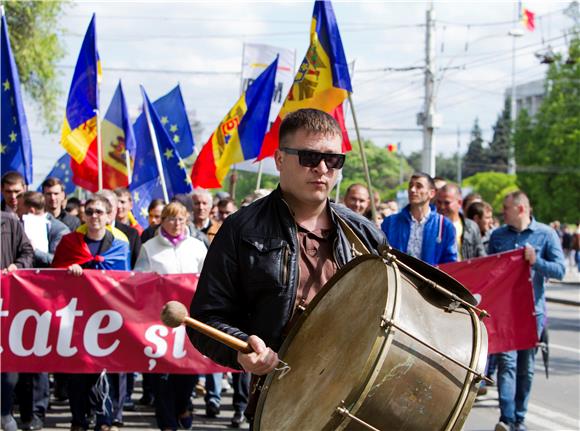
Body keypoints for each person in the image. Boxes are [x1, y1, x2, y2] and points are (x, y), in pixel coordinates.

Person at [187, 108, 386, 424]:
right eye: (309, 157)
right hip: (281, 403)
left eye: (333, 160)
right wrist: (241, 351)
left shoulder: (364, 232)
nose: (322, 168)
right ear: (279, 159)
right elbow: (206, 318)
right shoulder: (241, 229)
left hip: (359, 401)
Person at [52, 196, 130, 431]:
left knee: (107, 371)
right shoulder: (70, 242)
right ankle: (79, 418)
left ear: (108, 216)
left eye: (99, 212)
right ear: (84, 215)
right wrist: (70, 270)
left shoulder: (120, 245)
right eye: (90, 211)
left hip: (108, 318)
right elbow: (54, 275)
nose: (94, 216)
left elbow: (125, 280)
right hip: (78, 318)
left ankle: (105, 419)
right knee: (78, 372)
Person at [489, 191, 565, 431]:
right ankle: (507, 418)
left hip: (532, 312)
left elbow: (560, 271)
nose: (503, 212)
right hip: (505, 312)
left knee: (526, 368)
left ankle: (519, 418)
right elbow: (491, 269)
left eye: (506, 208)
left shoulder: (546, 234)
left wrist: (536, 262)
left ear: (521, 209)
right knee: (506, 363)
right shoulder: (498, 235)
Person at [134, 202, 206, 431]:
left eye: (181, 220)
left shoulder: (197, 246)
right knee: (162, 376)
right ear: (162, 221)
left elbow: (208, 279)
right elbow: (139, 280)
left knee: (186, 372)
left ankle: (184, 405)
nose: (176, 225)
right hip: (159, 321)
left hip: (189, 321)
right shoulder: (149, 247)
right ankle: (167, 424)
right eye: (171, 219)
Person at [1, 211, 34, 431]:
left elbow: (27, 252)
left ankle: (4, 414)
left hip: (6, 306)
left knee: (6, 363)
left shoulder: (9, 221)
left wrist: (17, 266)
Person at [381, 173, 457, 265]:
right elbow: (381, 255)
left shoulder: (445, 225)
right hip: (396, 277)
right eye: (410, 186)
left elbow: (450, 263)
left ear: (432, 193)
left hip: (429, 279)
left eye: (419, 186)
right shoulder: (390, 222)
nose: (412, 190)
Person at [17, 191, 70, 267]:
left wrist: (34, 250)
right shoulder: (19, 225)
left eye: (19, 209)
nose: (16, 212)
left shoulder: (60, 230)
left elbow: (57, 260)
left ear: (31, 210)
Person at [435, 183, 486, 260]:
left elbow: (481, 257)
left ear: (459, 203)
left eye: (447, 203)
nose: (442, 207)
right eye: (439, 202)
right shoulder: (431, 226)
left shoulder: (471, 227)